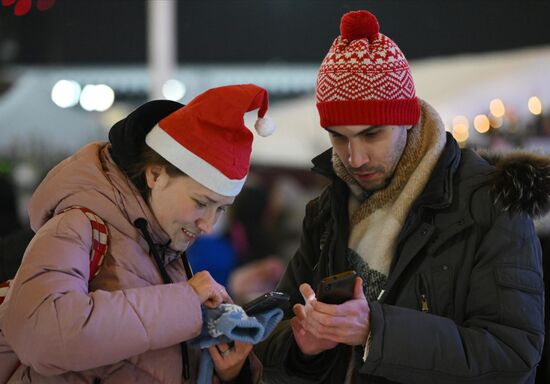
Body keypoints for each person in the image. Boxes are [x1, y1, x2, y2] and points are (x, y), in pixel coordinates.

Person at [255, 10, 546, 384]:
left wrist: (376, 331)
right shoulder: (327, 211)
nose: (354, 158)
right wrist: (304, 347)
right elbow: (280, 331)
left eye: (372, 134)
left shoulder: (490, 203)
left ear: (407, 119)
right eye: (338, 137)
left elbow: (513, 358)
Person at [0, 83, 276, 383]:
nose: (208, 225)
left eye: (221, 209)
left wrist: (229, 373)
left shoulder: (166, 248)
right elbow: (42, 338)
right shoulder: (77, 225)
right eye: (201, 203)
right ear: (155, 175)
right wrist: (184, 302)